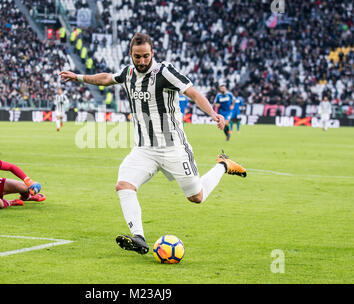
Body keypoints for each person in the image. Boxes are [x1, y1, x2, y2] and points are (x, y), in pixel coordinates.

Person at [60, 32, 247, 255]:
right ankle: (139, 237)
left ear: (153, 54)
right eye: (137, 57)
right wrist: (78, 77)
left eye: (146, 57)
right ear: (130, 54)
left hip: (173, 148)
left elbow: (193, 93)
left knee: (196, 197)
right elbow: (106, 78)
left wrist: (212, 113)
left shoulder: (165, 72)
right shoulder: (128, 73)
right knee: (124, 185)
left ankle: (223, 164)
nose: (141, 61)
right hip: (144, 149)